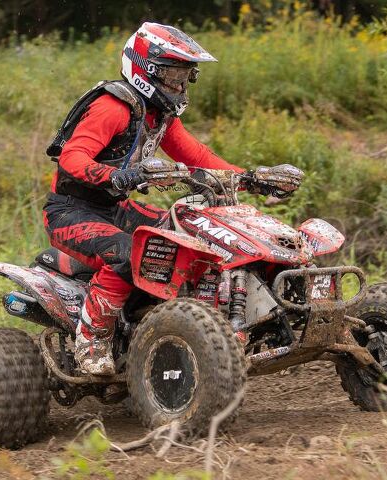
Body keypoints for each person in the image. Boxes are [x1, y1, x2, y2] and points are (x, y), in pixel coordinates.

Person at [43, 22, 302, 375]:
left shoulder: (158, 115)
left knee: (190, 236)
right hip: (70, 211)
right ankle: (91, 342)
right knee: (129, 253)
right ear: (145, 69)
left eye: (185, 75)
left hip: (115, 209)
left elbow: (200, 157)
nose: (179, 84)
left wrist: (249, 179)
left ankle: (182, 320)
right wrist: (117, 175)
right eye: (172, 74)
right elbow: (72, 158)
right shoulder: (113, 107)